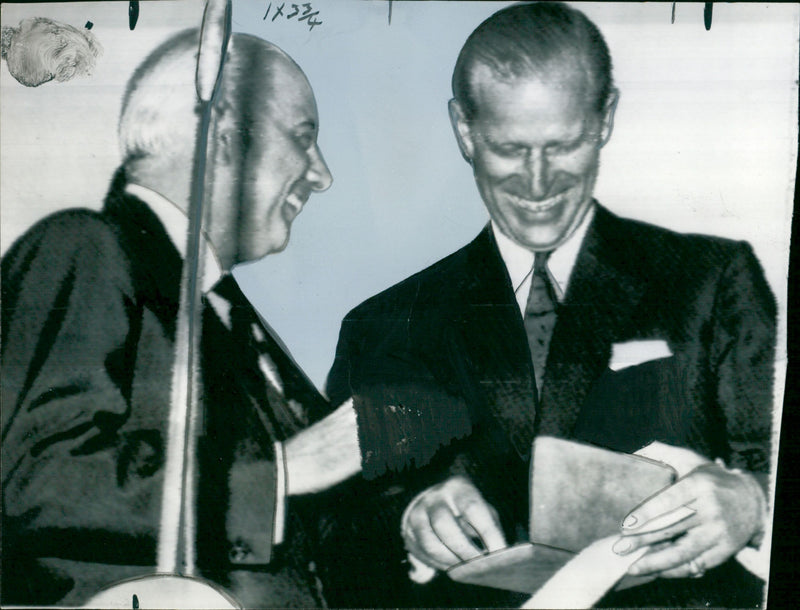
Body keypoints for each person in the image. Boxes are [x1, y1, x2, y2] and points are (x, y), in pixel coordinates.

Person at [321, 2, 776, 607]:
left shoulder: (713, 281)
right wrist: (410, 521)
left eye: (563, 146)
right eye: (510, 149)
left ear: (606, 117)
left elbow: (767, 460)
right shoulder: (384, 325)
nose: (538, 186)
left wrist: (752, 504)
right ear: (464, 130)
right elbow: (332, 535)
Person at [1, 28, 361, 607]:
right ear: (222, 138)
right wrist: (283, 472)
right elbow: (37, 482)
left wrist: (422, 519)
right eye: (303, 138)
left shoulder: (225, 314)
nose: (321, 174)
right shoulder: (85, 246)